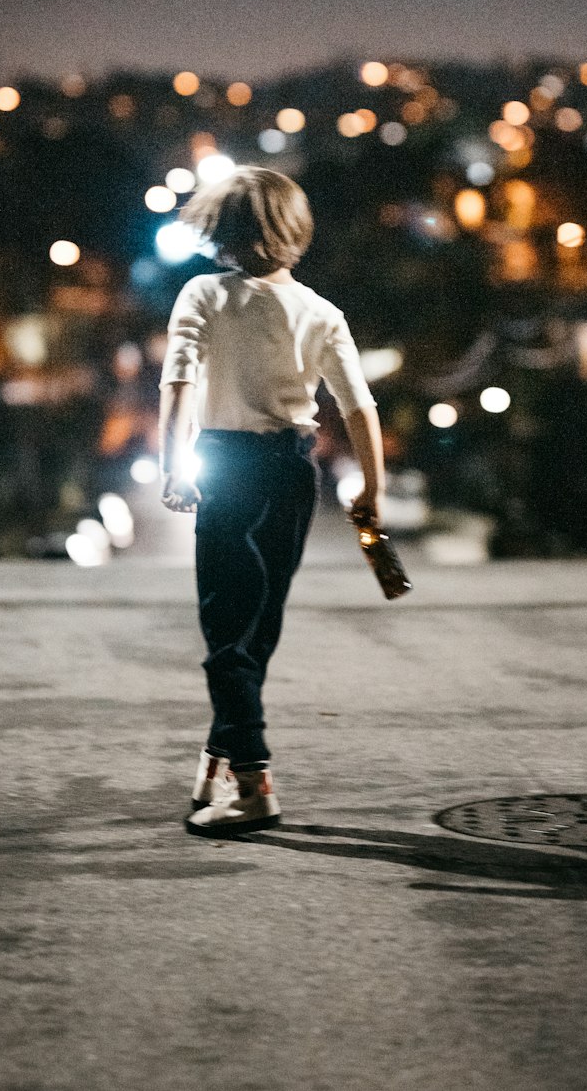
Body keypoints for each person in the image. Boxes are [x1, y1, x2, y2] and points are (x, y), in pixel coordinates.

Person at [158, 166, 384, 836]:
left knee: (226, 632)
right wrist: (371, 488)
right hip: (293, 471)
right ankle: (218, 759)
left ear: (223, 233)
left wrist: (176, 468)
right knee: (255, 628)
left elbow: (177, 388)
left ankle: (254, 785)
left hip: (227, 466)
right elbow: (358, 407)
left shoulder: (202, 295)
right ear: (295, 232)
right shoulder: (321, 311)